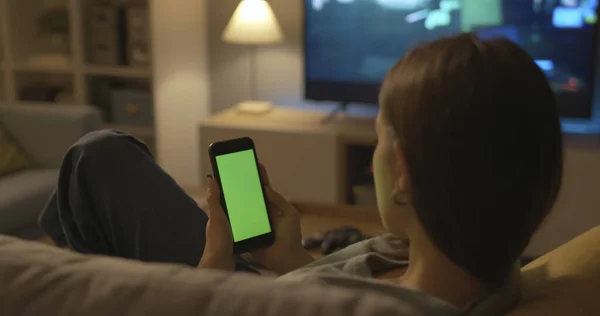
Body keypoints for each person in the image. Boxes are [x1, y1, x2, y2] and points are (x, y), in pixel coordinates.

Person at [39, 33, 563, 316]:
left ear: (401, 169)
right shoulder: (476, 252)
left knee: (96, 160)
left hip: (224, 293)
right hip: (278, 279)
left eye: (380, 137)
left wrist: (217, 257)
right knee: (102, 157)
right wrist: (291, 258)